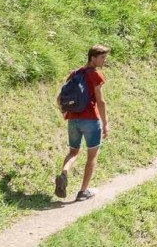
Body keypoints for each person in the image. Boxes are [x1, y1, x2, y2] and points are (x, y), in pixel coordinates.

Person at [55, 44, 110, 202]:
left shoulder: (75, 73)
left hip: (73, 120)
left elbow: (60, 98)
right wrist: (105, 123)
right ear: (92, 58)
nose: (104, 60)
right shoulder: (96, 75)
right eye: (102, 57)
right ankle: (83, 192)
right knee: (92, 156)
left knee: (73, 152)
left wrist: (65, 113)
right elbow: (101, 102)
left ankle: (64, 173)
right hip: (91, 120)